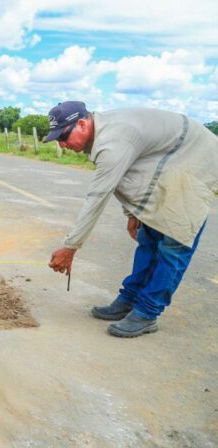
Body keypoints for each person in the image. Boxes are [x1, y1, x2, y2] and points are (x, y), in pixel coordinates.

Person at [46, 101, 218, 337]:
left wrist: (70, 247)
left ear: (83, 123)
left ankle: (147, 313)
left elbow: (99, 195)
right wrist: (134, 213)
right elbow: (129, 175)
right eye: (57, 140)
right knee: (148, 236)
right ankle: (129, 299)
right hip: (168, 162)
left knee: (173, 243)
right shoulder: (106, 134)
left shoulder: (114, 140)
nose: (62, 144)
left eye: (63, 136)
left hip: (195, 159)